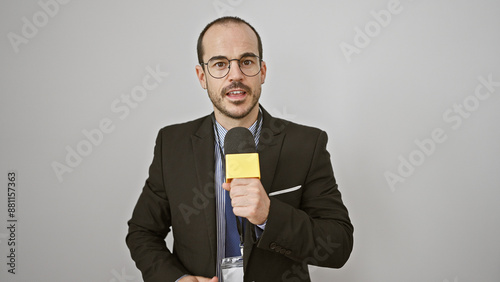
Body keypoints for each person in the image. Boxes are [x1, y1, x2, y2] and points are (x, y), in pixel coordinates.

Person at [126, 16, 353, 282]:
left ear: (262, 71)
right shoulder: (171, 144)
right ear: (202, 76)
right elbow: (142, 232)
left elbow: (338, 246)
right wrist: (176, 280)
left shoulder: (307, 144)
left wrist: (270, 215)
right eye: (220, 64)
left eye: (246, 62)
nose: (235, 75)